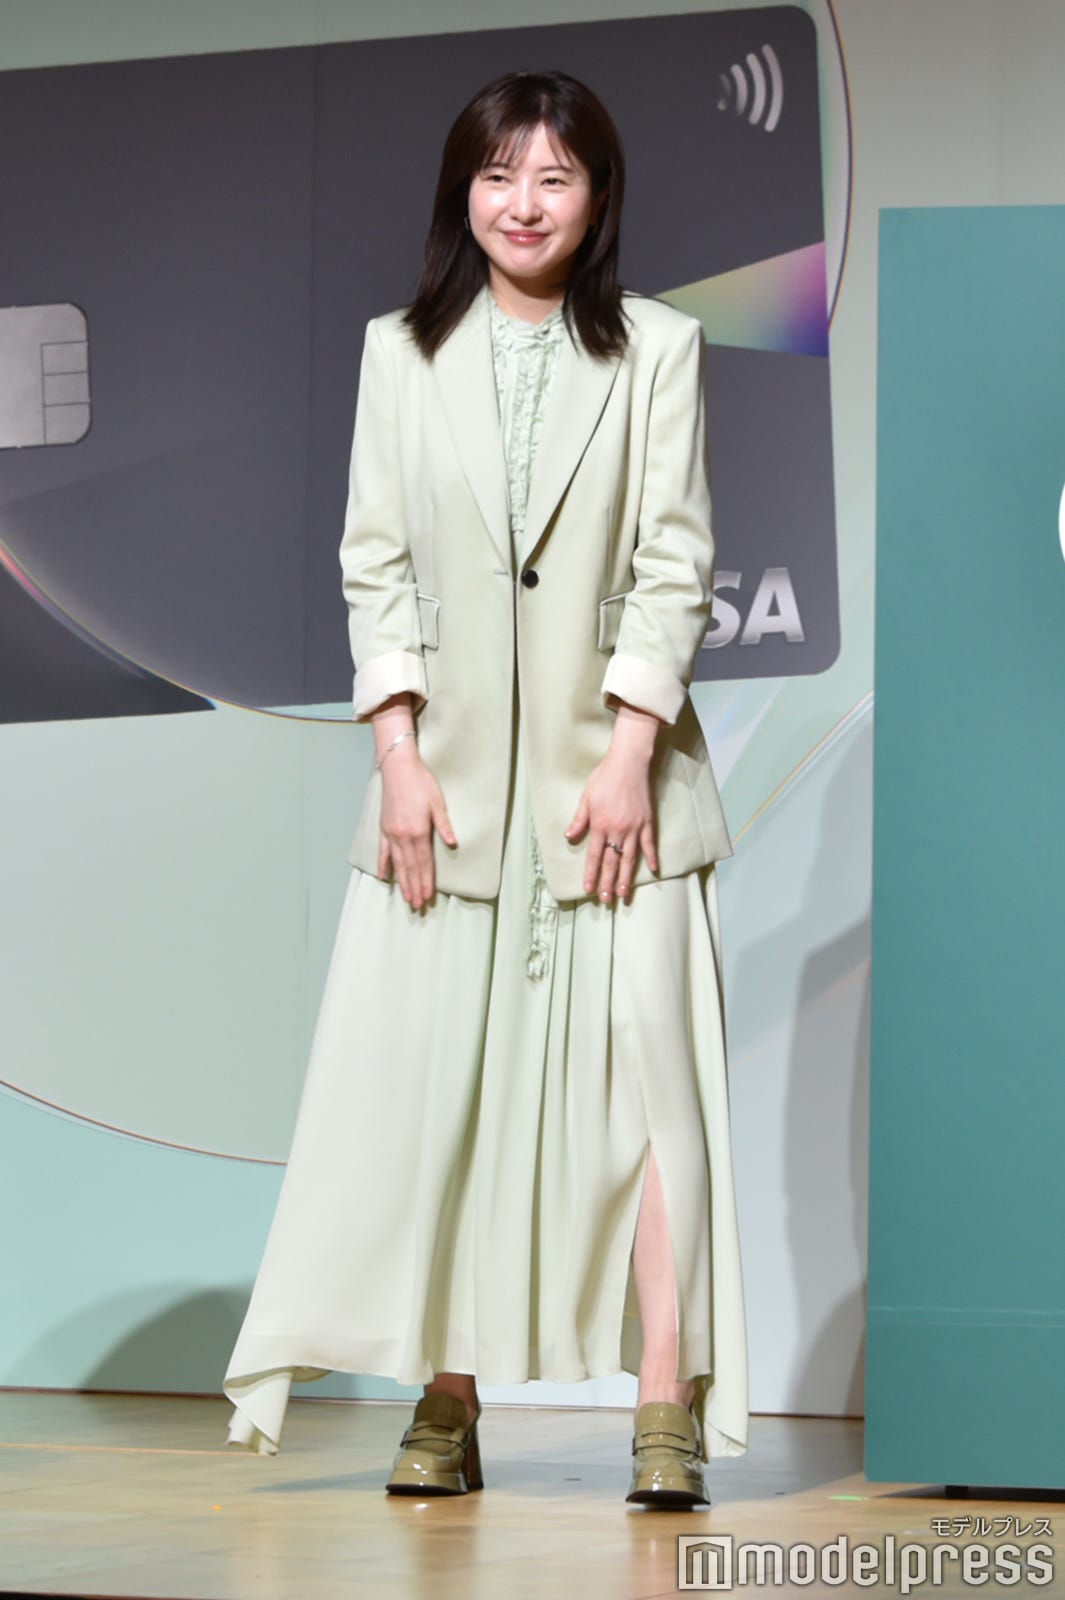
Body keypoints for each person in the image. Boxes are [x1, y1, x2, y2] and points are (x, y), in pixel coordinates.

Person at [223, 67, 748, 1508]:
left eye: (554, 177)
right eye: (500, 174)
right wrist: (395, 756)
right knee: (443, 1095)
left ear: (598, 197)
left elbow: (675, 564)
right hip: (446, 797)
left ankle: (663, 1404)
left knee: (651, 1099)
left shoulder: (660, 349)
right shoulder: (400, 353)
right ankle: (445, 1402)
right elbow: (374, 564)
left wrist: (631, 753)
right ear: (464, 191)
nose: (524, 203)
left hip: (617, 792)